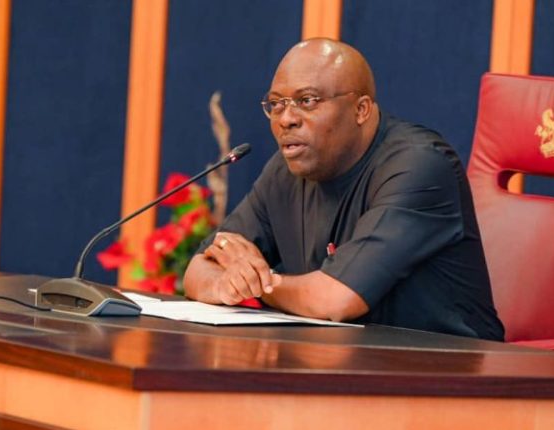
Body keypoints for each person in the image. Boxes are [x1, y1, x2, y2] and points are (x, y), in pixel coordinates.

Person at [184, 38, 504, 340]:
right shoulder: (286, 170)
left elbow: (336, 300)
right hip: (341, 358)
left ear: (361, 109)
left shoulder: (419, 165)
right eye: (276, 104)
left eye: (307, 101)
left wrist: (258, 283)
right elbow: (199, 268)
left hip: (443, 365)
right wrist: (223, 284)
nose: (286, 119)